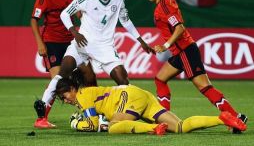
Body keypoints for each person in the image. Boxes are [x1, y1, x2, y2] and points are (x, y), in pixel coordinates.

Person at [117, 0, 247, 134]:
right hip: (181, 51)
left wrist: (165, 45)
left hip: (185, 50)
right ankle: (165, 118)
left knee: (204, 87)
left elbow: (179, 28)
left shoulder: (164, 8)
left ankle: (235, 117)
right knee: (160, 79)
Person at [34, 0, 154, 129]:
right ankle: (42, 116)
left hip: (104, 47)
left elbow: (126, 21)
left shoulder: (118, 0)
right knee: (60, 76)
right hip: (82, 44)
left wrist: (141, 40)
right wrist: (75, 32)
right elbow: (64, 14)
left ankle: (124, 114)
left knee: (123, 81)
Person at [53, 77, 246, 134]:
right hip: (141, 95)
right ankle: (222, 118)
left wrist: (75, 124)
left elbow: (93, 125)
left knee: (113, 127)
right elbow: (95, 118)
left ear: (73, 88)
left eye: (65, 94)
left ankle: (154, 128)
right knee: (180, 127)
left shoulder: (83, 95)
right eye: (62, 98)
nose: (66, 99)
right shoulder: (87, 95)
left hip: (126, 97)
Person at [31, 0, 82, 128]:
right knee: (57, 80)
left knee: (72, 79)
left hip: (70, 41)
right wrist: (40, 43)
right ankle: (41, 119)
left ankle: (86, 112)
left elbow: (81, 12)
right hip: (52, 41)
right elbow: (34, 20)